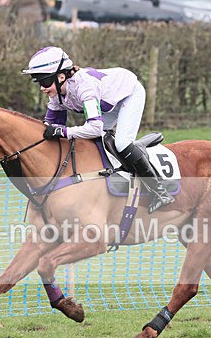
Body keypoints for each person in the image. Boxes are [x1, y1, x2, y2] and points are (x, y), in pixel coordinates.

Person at [22, 46, 174, 213]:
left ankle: (160, 191)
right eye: (39, 82)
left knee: (122, 143)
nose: (42, 88)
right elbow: (50, 128)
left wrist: (64, 132)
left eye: (44, 82)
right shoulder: (55, 96)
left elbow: (94, 128)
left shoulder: (84, 87)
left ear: (61, 77)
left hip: (128, 95)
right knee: (92, 144)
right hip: (108, 102)